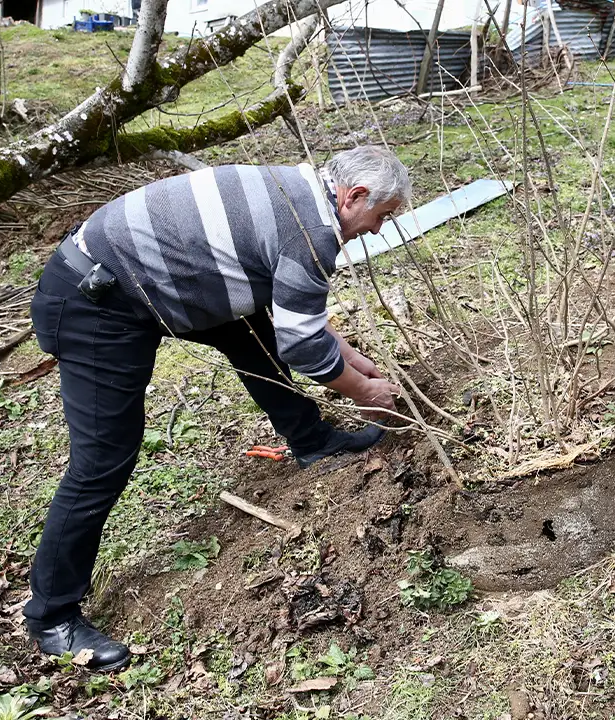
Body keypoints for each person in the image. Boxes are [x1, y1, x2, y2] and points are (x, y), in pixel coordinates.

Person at [23, 146, 410, 670]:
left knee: (252, 331)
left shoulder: (297, 188)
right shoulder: (311, 230)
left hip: (150, 276)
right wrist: (364, 392)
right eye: (382, 216)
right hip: (98, 300)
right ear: (354, 196)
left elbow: (297, 315)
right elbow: (302, 345)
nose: (378, 229)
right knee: (103, 459)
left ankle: (314, 441)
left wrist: (354, 361)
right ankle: (52, 616)